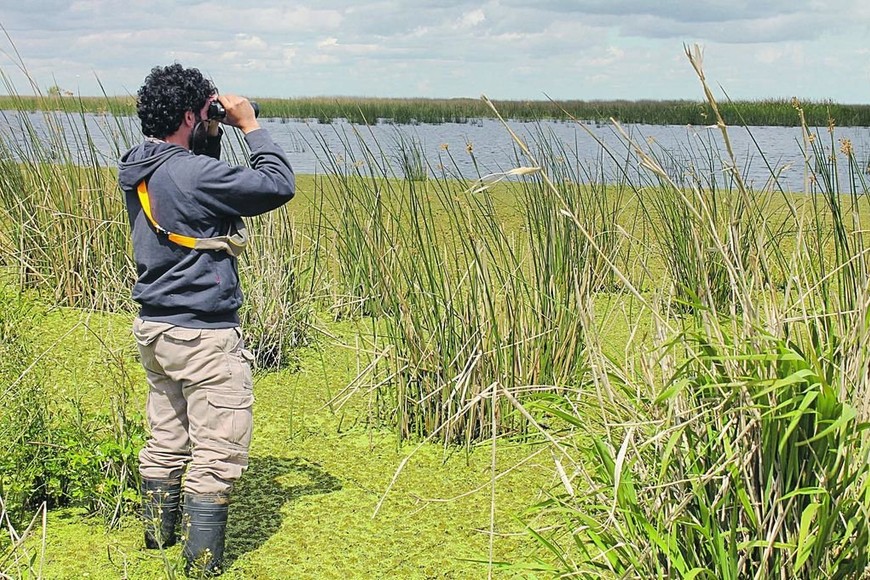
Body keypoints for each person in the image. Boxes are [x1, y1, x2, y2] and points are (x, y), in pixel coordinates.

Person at [117, 64, 295, 576]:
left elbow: (193, 186)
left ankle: (155, 544)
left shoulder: (140, 164)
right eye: (203, 112)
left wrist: (208, 133)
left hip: (156, 328)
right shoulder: (191, 172)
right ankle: (201, 568)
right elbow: (276, 184)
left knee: (167, 438)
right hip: (203, 334)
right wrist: (248, 125)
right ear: (190, 113)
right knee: (218, 451)